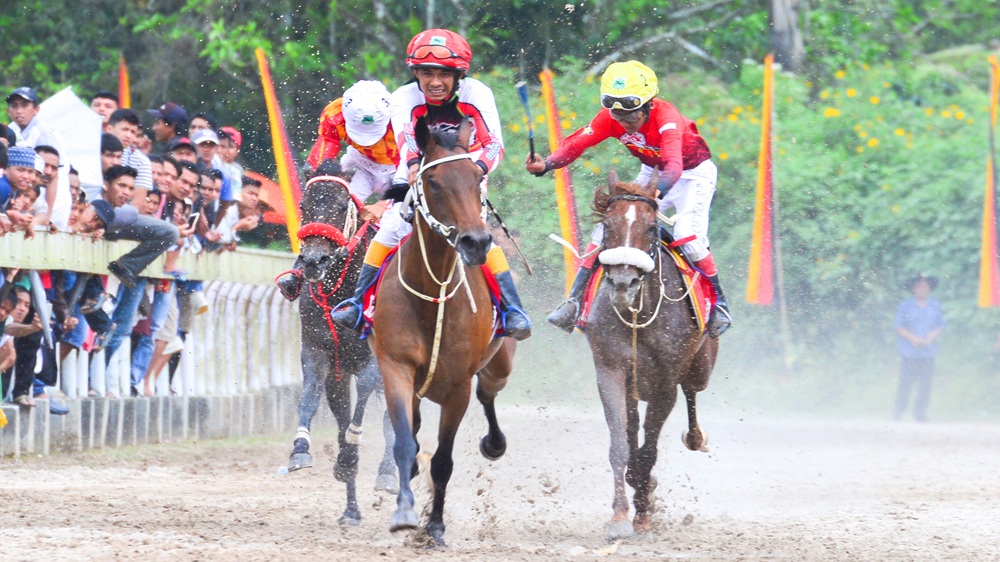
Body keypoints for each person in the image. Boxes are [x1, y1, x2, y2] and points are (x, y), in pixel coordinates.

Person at [328, 29, 531, 341]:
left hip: (467, 169)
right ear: (416, 73)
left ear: (459, 74)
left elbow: (494, 145)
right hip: (420, 166)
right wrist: (412, 167)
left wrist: (474, 172)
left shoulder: (477, 93)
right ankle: (358, 303)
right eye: (427, 73)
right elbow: (407, 139)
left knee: (475, 229)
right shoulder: (404, 97)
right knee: (392, 226)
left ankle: (512, 309)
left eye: (444, 74)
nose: (435, 82)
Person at [526, 60, 731, 338]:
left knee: (688, 238)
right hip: (652, 170)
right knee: (606, 229)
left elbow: (674, 166)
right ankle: (574, 302)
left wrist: (654, 195)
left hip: (692, 174)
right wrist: (547, 164)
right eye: (618, 117)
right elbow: (576, 144)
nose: (624, 123)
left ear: (648, 105)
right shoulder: (610, 118)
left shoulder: (666, 117)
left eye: (632, 117)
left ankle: (720, 305)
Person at [275, 79, 398, 301]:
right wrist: (319, 185)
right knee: (331, 203)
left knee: (397, 222)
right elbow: (321, 164)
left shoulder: (405, 118)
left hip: (400, 171)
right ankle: (300, 270)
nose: (368, 141)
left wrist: (384, 204)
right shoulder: (334, 114)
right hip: (360, 164)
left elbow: (416, 172)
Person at [893, 273, 945, 422]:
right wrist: (913, 338)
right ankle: (899, 412)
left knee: (925, 385)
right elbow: (898, 326)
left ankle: (920, 413)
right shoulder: (906, 305)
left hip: (927, 352)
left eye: (924, 286)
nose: (921, 289)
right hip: (909, 352)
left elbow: (940, 325)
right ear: (913, 288)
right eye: (918, 286)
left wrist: (930, 337)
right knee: (905, 383)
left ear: (929, 288)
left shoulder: (935, 305)